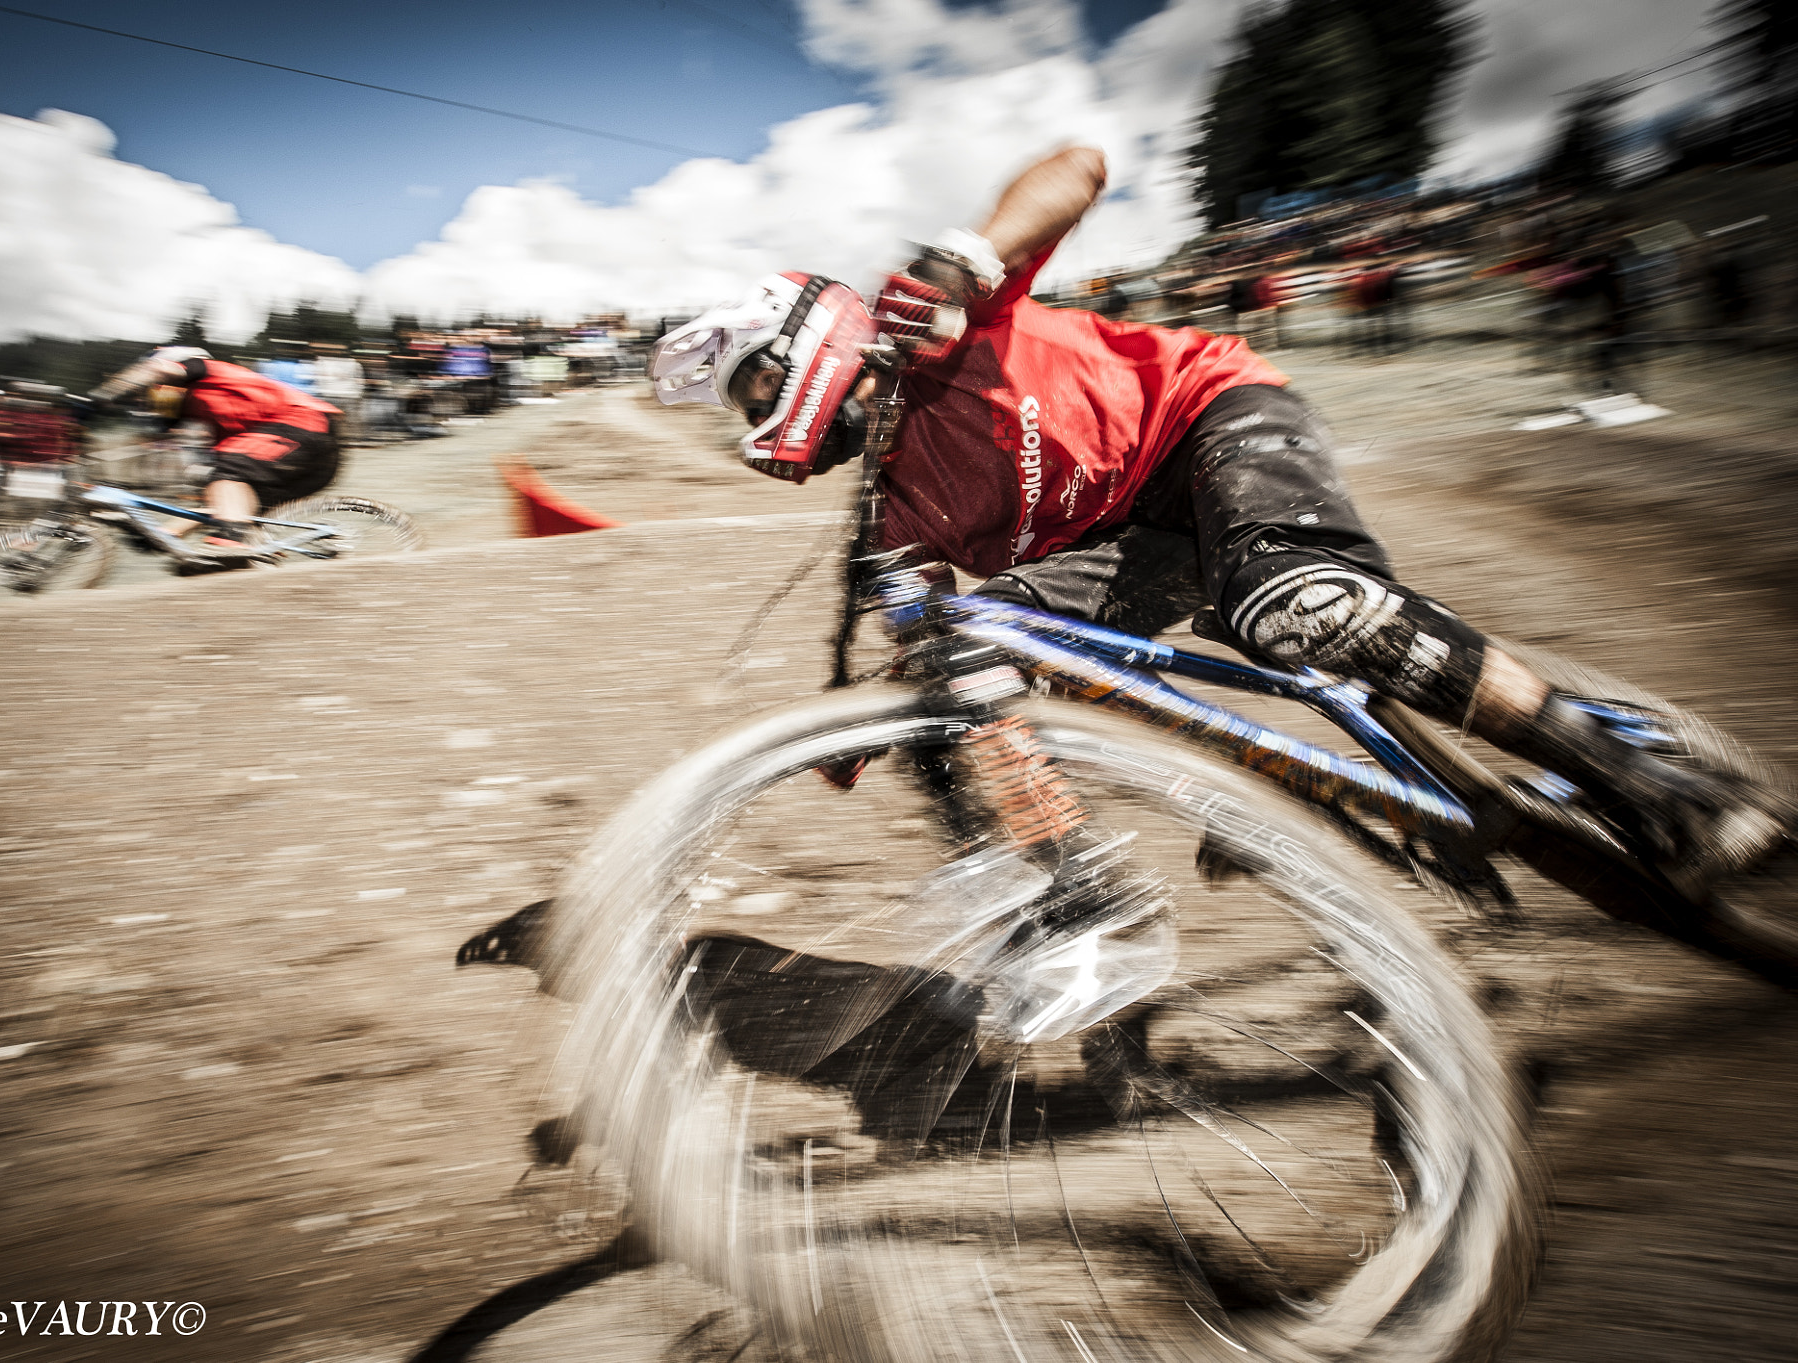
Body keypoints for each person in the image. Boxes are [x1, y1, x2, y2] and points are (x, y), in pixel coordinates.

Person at [648, 146, 1783, 899]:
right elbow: (933, 654)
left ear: (802, 342)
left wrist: (970, 253)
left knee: (1292, 601)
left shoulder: (933, 321)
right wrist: (902, 718)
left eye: (751, 390)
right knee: (967, 660)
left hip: (1205, 417)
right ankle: (1077, 895)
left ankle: (1658, 786)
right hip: (1129, 540)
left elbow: (1079, 167)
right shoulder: (892, 512)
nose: (752, 422)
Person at [87, 346, 341, 558]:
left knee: (228, 473)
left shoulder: (204, 370)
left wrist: (105, 394)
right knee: (225, 493)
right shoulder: (196, 408)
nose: (153, 393)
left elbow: (158, 370)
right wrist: (159, 533)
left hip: (307, 426)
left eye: (155, 387)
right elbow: (161, 437)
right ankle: (183, 536)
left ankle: (232, 540)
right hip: (307, 451)